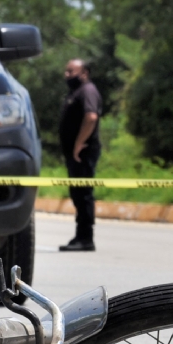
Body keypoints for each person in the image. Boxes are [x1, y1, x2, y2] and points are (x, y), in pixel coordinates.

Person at [58, 58, 102, 252]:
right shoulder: (76, 92)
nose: (67, 75)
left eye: (71, 71)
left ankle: (85, 238)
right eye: (66, 71)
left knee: (83, 195)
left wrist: (78, 143)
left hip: (83, 152)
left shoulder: (87, 90)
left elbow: (91, 117)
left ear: (84, 73)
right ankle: (80, 235)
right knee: (77, 194)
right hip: (76, 153)